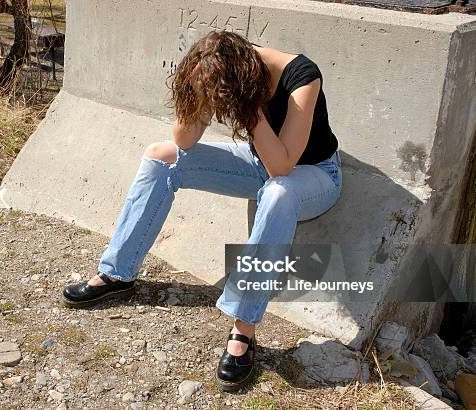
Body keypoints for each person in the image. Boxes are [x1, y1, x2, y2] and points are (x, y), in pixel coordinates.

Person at [60, 30, 342, 392]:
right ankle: (118, 274)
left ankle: (244, 329)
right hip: (261, 163)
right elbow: (183, 141)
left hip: (312, 175)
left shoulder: (302, 77)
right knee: (161, 157)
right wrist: (198, 97)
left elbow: (282, 167)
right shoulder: (221, 66)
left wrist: (250, 108)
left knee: (277, 194)